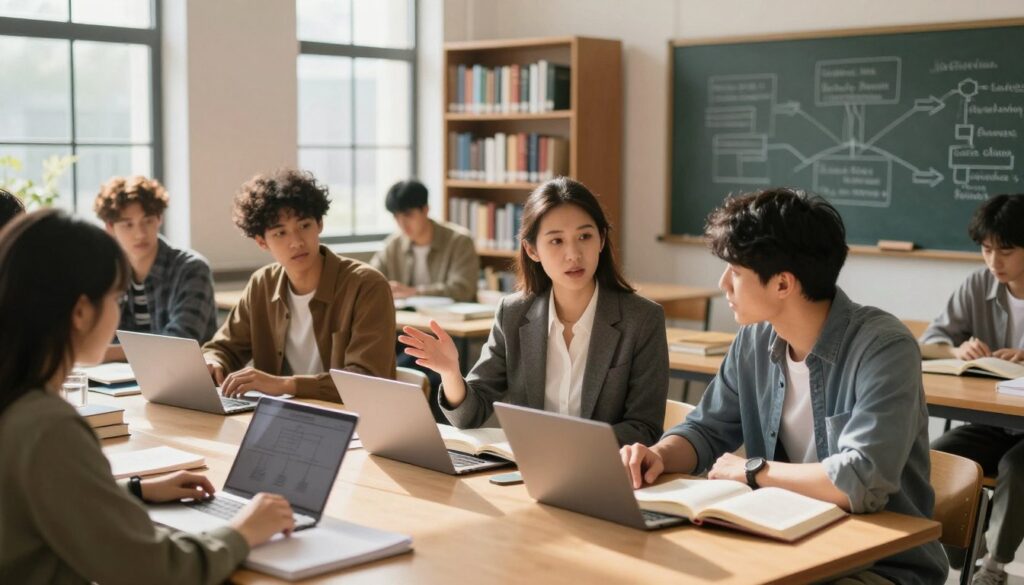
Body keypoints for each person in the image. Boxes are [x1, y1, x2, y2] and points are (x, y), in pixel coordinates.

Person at [620, 188, 947, 585]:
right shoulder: (754, 339)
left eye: (736, 272)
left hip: (878, 565)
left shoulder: (884, 348)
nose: (723, 284)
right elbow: (706, 430)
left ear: (782, 285)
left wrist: (754, 471)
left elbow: (861, 479)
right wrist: (658, 455)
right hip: (781, 546)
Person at [0, 210, 295, 584]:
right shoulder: (47, 426)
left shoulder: (16, 398)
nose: (118, 311)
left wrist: (132, 492)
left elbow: (32, 499)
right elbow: (154, 570)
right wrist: (242, 532)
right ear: (79, 311)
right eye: (115, 298)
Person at [401, 177, 667, 446]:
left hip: (606, 473)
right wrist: (450, 373)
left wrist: (569, 443)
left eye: (585, 236)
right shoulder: (514, 313)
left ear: (601, 240)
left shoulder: (642, 320)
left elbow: (644, 428)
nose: (573, 254)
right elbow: (469, 415)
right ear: (531, 249)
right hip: (527, 471)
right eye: (556, 241)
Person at [204, 169, 396, 402]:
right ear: (262, 242)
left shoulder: (366, 285)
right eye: (280, 233)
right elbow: (223, 348)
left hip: (353, 419)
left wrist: (285, 384)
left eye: (304, 226)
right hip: (281, 418)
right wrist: (213, 361)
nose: (296, 242)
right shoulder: (262, 284)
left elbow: (367, 379)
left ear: (320, 224)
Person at [922, 193, 1024, 585]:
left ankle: (994, 566)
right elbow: (932, 339)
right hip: (993, 422)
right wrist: (956, 348)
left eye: (1006, 251)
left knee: (1017, 468)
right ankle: (966, 547)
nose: (994, 262)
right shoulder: (978, 284)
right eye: (985, 250)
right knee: (932, 458)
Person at [93, 176, 217, 362]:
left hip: (183, 380)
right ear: (110, 228)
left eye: (148, 221)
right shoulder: (109, 273)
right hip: (118, 381)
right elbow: (97, 335)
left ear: (159, 219)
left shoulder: (191, 268)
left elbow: (179, 344)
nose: (140, 234)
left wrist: (104, 353)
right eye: (128, 225)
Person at [370, 179, 479, 302]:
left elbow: (463, 290)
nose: (402, 224)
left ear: (426, 210)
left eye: (408, 215)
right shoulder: (393, 245)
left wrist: (414, 292)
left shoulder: (459, 241)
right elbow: (371, 279)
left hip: (448, 319)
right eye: (396, 217)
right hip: (407, 318)